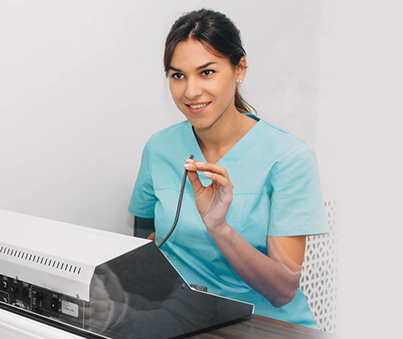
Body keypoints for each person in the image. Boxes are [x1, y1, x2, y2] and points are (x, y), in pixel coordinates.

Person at [128, 8, 327, 328]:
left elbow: (282, 291)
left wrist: (219, 228)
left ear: (239, 69)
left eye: (206, 72)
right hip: (183, 319)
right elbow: (141, 239)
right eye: (178, 75)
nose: (190, 91)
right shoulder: (159, 148)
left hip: (266, 325)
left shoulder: (288, 158)